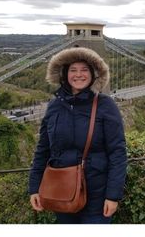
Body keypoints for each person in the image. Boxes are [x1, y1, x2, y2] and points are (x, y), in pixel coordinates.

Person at [28, 47, 127, 224]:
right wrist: (34, 188)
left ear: (93, 74)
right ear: (65, 74)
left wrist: (113, 196)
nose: (78, 75)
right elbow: (42, 150)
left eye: (84, 70)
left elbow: (117, 153)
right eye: (73, 70)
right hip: (62, 192)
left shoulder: (105, 105)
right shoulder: (54, 106)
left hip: (96, 195)